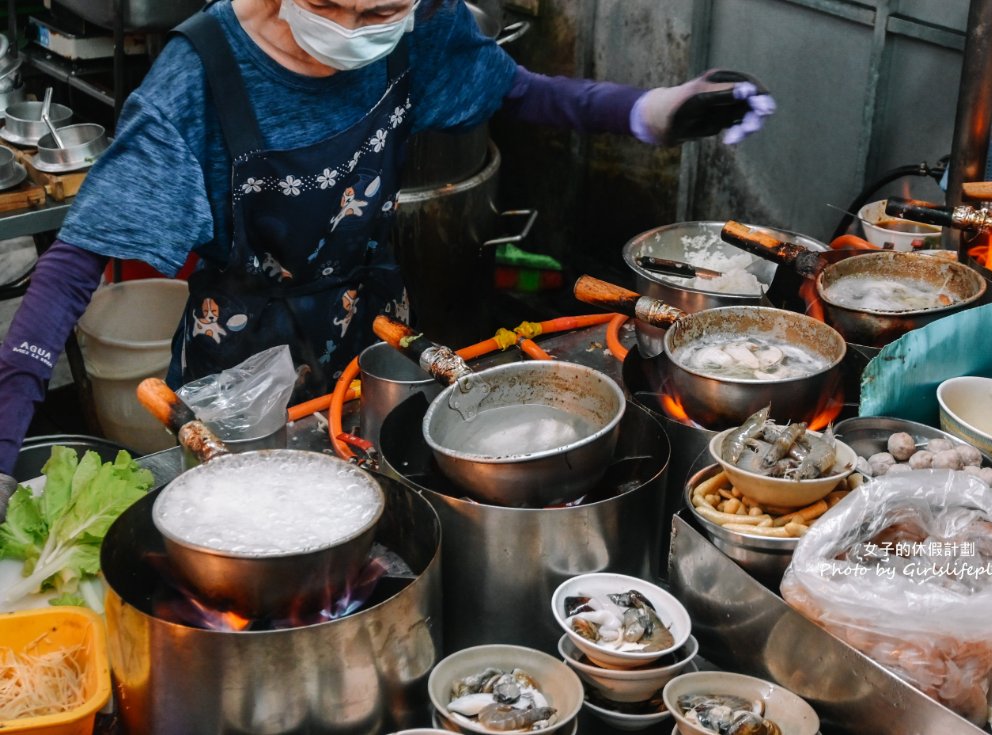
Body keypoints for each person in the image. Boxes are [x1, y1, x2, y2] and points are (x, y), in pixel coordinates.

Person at [0, 0, 775, 505]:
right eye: (354, 9)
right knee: (258, 532)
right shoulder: (194, 80)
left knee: (393, 500)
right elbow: (76, 263)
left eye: (390, 7)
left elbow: (517, 91)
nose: (376, 24)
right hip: (238, 365)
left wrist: (648, 111)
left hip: (379, 335)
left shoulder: (417, 25)